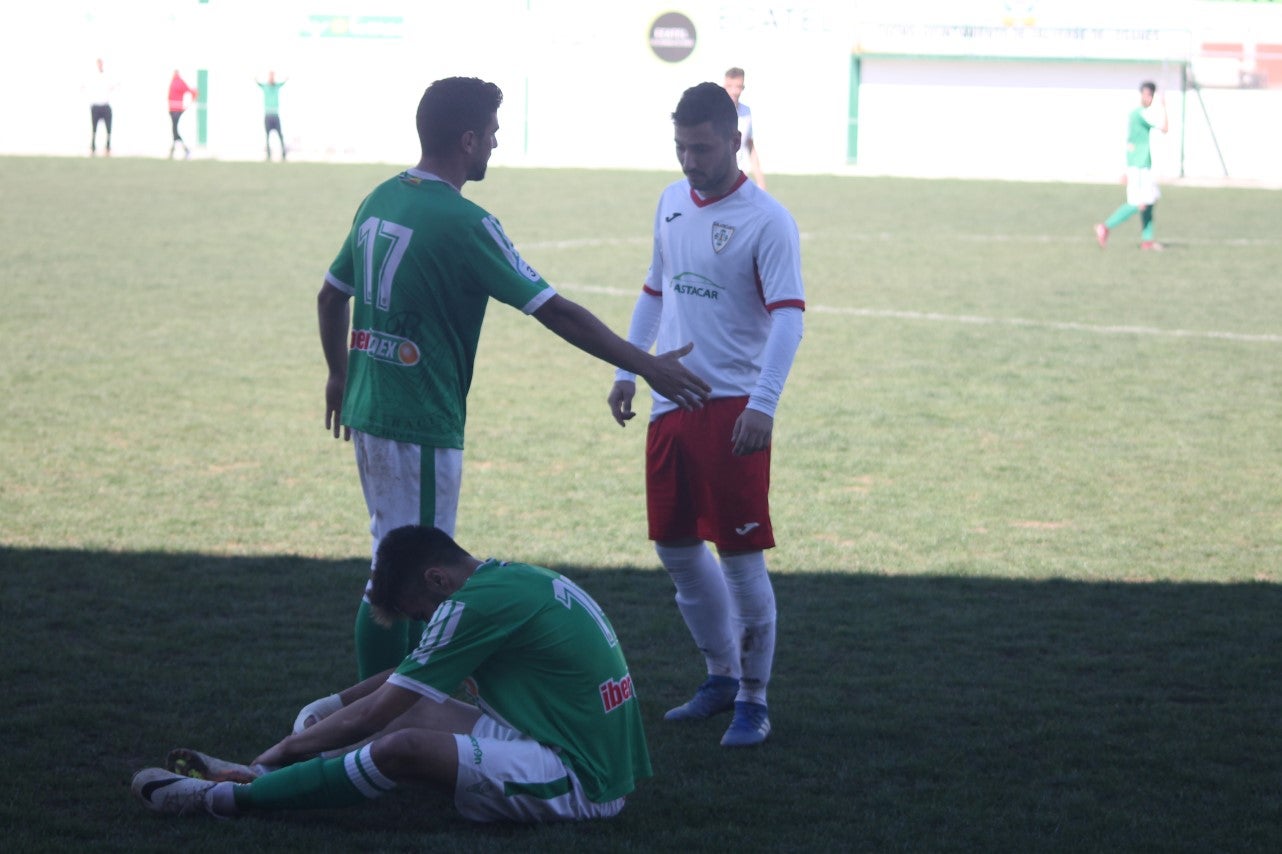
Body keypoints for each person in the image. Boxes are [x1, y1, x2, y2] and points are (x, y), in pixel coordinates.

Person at [317, 76, 710, 682]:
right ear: (468, 139)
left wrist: (338, 376)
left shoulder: (380, 198)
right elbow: (556, 310)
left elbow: (329, 295)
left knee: (401, 565)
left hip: (371, 408)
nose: (496, 145)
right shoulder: (466, 222)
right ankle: (384, 716)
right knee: (404, 576)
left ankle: (399, 705)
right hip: (416, 420)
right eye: (493, 134)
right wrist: (647, 363)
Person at [131, 524, 651, 823]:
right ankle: (260, 776)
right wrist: (328, 708)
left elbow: (380, 711)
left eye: (420, 612)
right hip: (559, 737)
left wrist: (286, 748)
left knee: (397, 746)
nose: (425, 624)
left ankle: (226, 797)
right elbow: (407, 678)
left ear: (435, 579)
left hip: (581, 777)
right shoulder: (504, 582)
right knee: (409, 714)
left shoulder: (470, 607)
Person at [606, 82, 804, 748]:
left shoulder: (767, 220)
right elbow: (654, 289)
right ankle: (720, 675)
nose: (689, 160)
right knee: (676, 548)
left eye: (701, 147)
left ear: (733, 139)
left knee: (741, 555)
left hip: (732, 410)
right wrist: (628, 367)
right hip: (671, 401)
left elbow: (788, 320)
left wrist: (764, 403)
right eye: (680, 147)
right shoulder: (668, 201)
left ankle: (755, 697)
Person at [1094, 81, 1169, 251]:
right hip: (1139, 166)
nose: (1147, 98)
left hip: (1142, 164)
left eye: (1150, 95)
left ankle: (1147, 240)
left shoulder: (1138, 114)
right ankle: (1105, 227)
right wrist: (1164, 106)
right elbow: (1165, 128)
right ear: (1141, 95)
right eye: (1145, 94)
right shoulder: (1140, 114)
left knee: (1151, 199)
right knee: (1139, 203)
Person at [722, 67, 765, 189]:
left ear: (743, 88)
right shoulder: (715, 112)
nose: (734, 91)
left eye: (738, 86)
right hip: (719, 180)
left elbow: (750, 146)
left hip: (739, 178)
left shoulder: (746, 112)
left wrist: (761, 182)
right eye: (730, 86)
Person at [86, 58, 115, 157]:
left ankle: (108, 147)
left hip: (105, 105)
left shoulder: (107, 75)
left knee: (108, 129)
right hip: (95, 105)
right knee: (94, 129)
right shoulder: (91, 76)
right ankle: (93, 147)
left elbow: (113, 86)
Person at [256, 70, 287, 161]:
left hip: (275, 115)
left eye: (273, 76)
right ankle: (269, 155)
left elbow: (284, 82)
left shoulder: (277, 86)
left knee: (280, 135)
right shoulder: (265, 86)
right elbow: (258, 83)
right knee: (267, 136)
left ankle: (283, 155)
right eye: (270, 76)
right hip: (268, 115)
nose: (272, 78)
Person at [168, 70, 197, 159]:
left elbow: (193, 92)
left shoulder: (179, 82)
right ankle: (173, 150)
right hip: (173, 110)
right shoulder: (176, 81)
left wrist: (190, 103)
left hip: (176, 110)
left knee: (175, 130)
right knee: (174, 130)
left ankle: (185, 150)